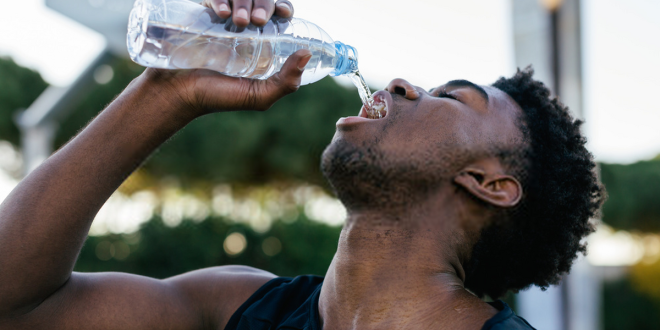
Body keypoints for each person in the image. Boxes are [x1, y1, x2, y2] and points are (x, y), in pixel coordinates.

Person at [0, 0, 605, 329]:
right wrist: (167, 93)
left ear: (488, 184)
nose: (401, 84)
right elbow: (15, 304)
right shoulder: (235, 308)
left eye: (451, 98)